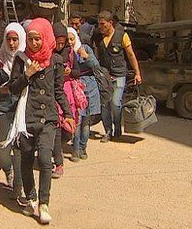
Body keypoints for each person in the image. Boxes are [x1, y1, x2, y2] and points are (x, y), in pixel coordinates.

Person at [5, 18, 75, 224]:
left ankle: (44, 203)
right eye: (31, 39)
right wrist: (26, 75)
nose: (34, 43)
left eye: (38, 39)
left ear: (46, 38)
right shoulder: (21, 59)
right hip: (27, 119)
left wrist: (69, 114)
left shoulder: (55, 61)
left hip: (49, 118)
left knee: (45, 159)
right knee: (25, 161)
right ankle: (31, 199)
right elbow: (13, 88)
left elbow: (59, 91)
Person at [92, 11, 142, 142]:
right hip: (104, 75)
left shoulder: (122, 36)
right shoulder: (97, 37)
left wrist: (137, 72)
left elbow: (131, 55)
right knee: (105, 104)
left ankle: (118, 128)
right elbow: (96, 55)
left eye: (103, 24)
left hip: (119, 74)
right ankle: (108, 131)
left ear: (110, 23)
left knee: (115, 102)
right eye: (99, 24)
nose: (100, 27)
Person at [0, 23, 26, 202]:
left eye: (15, 39)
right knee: (3, 149)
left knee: (19, 150)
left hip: (22, 109)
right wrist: (8, 89)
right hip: (4, 107)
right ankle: (8, 169)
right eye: (9, 39)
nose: (12, 43)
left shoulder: (26, 59)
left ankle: (18, 186)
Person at [52, 22, 83, 172]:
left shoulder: (70, 53)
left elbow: (78, 72)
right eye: (56, 42)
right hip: (53, 94)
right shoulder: (47, 53)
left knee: (68, 129)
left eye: (62, 43)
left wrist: (70, 71)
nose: (59, 46)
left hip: (67, 95)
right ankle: (58, 162)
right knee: (56, 128)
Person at [68, 27, 100, 159]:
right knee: (77, 120)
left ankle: (83, 148)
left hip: (90, 89)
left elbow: (96, 66)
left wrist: (86, 57)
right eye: (68, 39)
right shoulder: (66, 52)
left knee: (86, 122)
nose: (70, 42)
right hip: (75, 88)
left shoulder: (85, 49)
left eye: (72, 38)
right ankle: (75, 150)